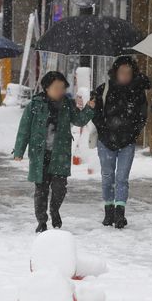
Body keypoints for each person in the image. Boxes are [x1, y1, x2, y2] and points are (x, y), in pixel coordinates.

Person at [13, 71, 96, 233]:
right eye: (56, 88)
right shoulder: (35, 105)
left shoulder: (67, 105)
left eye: (62, 88)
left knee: (60, 188)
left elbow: (79, 120)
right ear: (46, 88)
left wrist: (89, 109)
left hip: (60, 153)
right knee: (41, 190)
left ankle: (55, 210)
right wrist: (19, 150)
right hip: (40, 154)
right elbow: (24, 129)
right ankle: (42, 221)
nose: (60, 91)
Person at [92, 56, 150, 229]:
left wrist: (132, 133)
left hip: (127, 142)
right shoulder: (104, 89)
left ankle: (120, 212)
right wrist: (104, 129)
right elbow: (96, 113)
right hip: (106, 141)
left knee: (122, 178)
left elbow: (142, 116)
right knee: (107, 176)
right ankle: (108, 210)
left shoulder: (138, 92)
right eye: (122, 72)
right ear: (115, 73)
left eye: (128, 72)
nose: (125, 75)